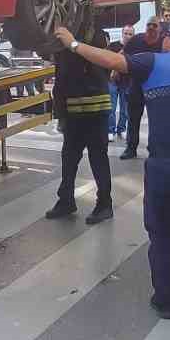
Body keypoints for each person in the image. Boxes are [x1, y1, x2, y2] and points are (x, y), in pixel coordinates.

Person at [54, 17, 170, 326]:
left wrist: (72, 43)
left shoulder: (153, 62)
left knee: (160, 235)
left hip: (165, 165)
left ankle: (165, 303)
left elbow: (110, 60)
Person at [45, 26, 115, 224]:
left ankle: (104, 204)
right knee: (69, 159)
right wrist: (61, 114)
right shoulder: (64, 38)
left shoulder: (95, 35)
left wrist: (71, 42)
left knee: (98, 158)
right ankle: (66, 200)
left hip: (95, 109)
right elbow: (61, 77)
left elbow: (99, 60)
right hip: (74, 110)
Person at [119, 19, 162, 159]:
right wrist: (115, 71)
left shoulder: (163, 43)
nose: (151, 28)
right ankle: (131, 149)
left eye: (154, 25)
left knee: (157, 120)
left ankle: (155, 150)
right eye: (148, 25)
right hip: (136, 85)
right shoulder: (136, 40)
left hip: (156, 87)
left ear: (159, 29)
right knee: (133, 118)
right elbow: (123, 54)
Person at [107, 38, 127, 141]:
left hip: (126, 81)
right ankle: (110, 130)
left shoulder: (133, 46)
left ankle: (122, 129)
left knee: (125, 109)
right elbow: (108, 59)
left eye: (130, 34)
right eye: (126, 33)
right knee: (111, 107)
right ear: (122, 34)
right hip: (113, 80)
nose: (128, 36)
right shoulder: (114, 45)